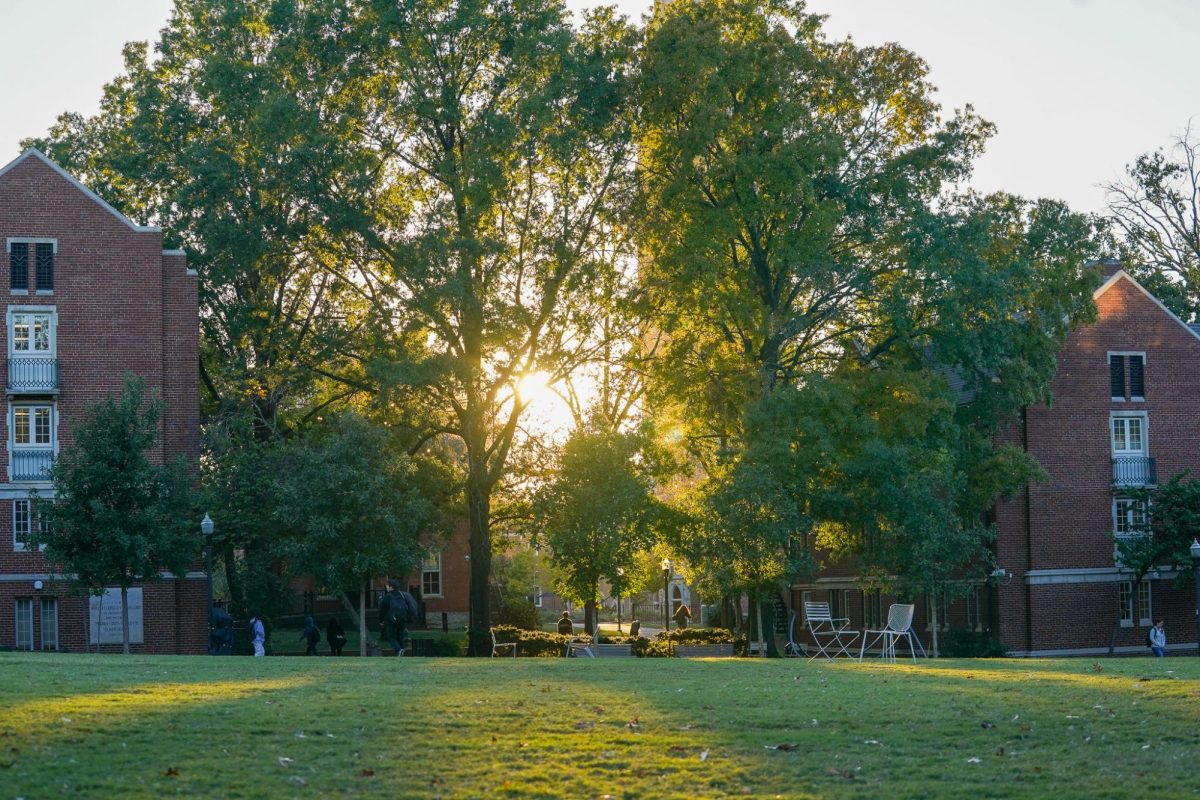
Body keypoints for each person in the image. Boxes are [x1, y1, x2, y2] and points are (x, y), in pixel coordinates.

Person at [378, 580, 416, 656]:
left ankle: (398, 650)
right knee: (400, 636)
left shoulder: (388, 597)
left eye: (388, 585)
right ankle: (401, 652)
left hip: (392, 620)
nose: (386, 587)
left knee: (391, 636)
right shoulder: (403, 595)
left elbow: (383, 610)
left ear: (391, 587)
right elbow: (411, 606)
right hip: (403, 619)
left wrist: (381, 620)